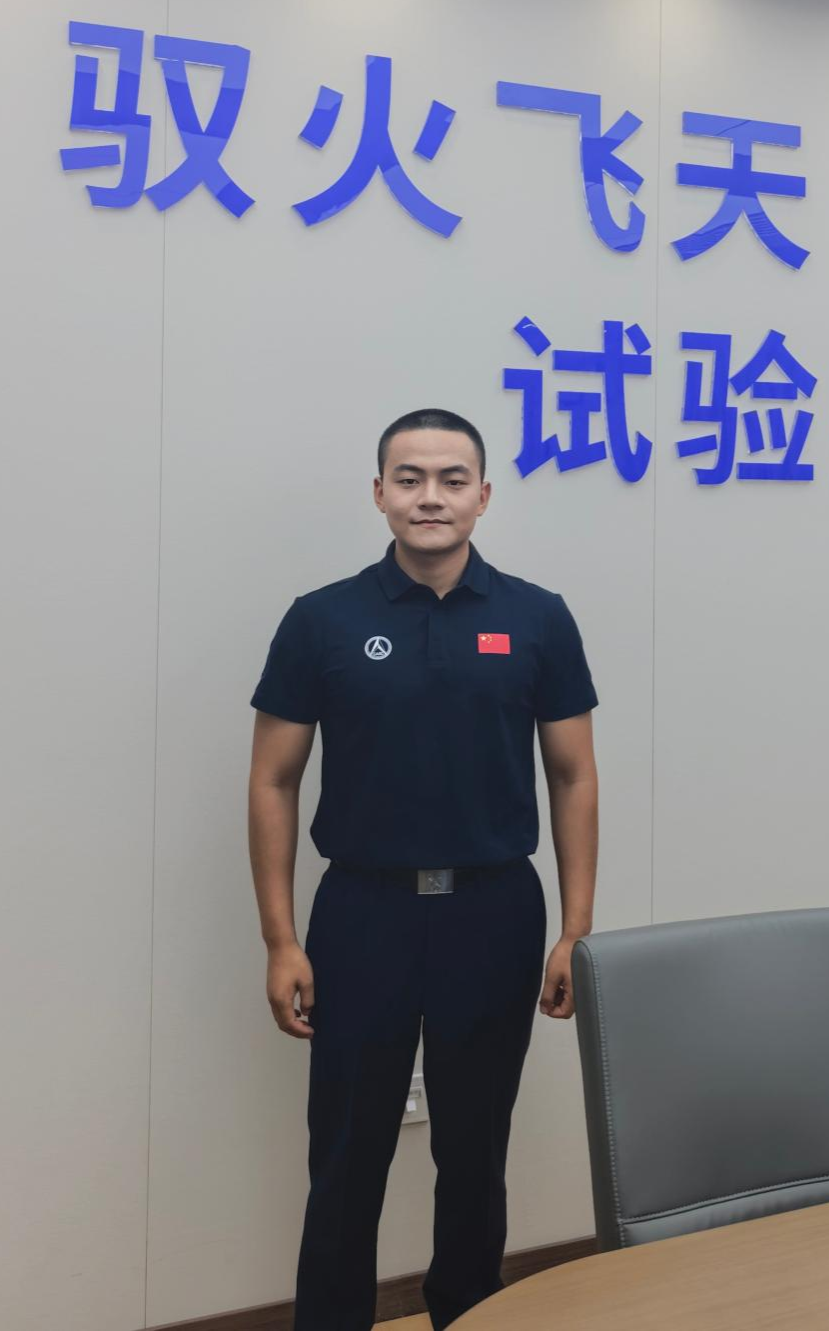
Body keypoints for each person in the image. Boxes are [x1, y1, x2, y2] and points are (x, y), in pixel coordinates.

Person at [246, 407, 600, 1330]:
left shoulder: (538, 618)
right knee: (346, 1154)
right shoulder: (321, 620)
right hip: (363, 915)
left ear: (484, 496)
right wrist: (281, 940)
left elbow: (573, 776)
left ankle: (468, 1313)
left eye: (451, 479)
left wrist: (575, 930)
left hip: (495, 913)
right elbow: (273, 780)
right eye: (409, 479)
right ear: (379, 494)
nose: (430, 496)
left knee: (476, 1153)